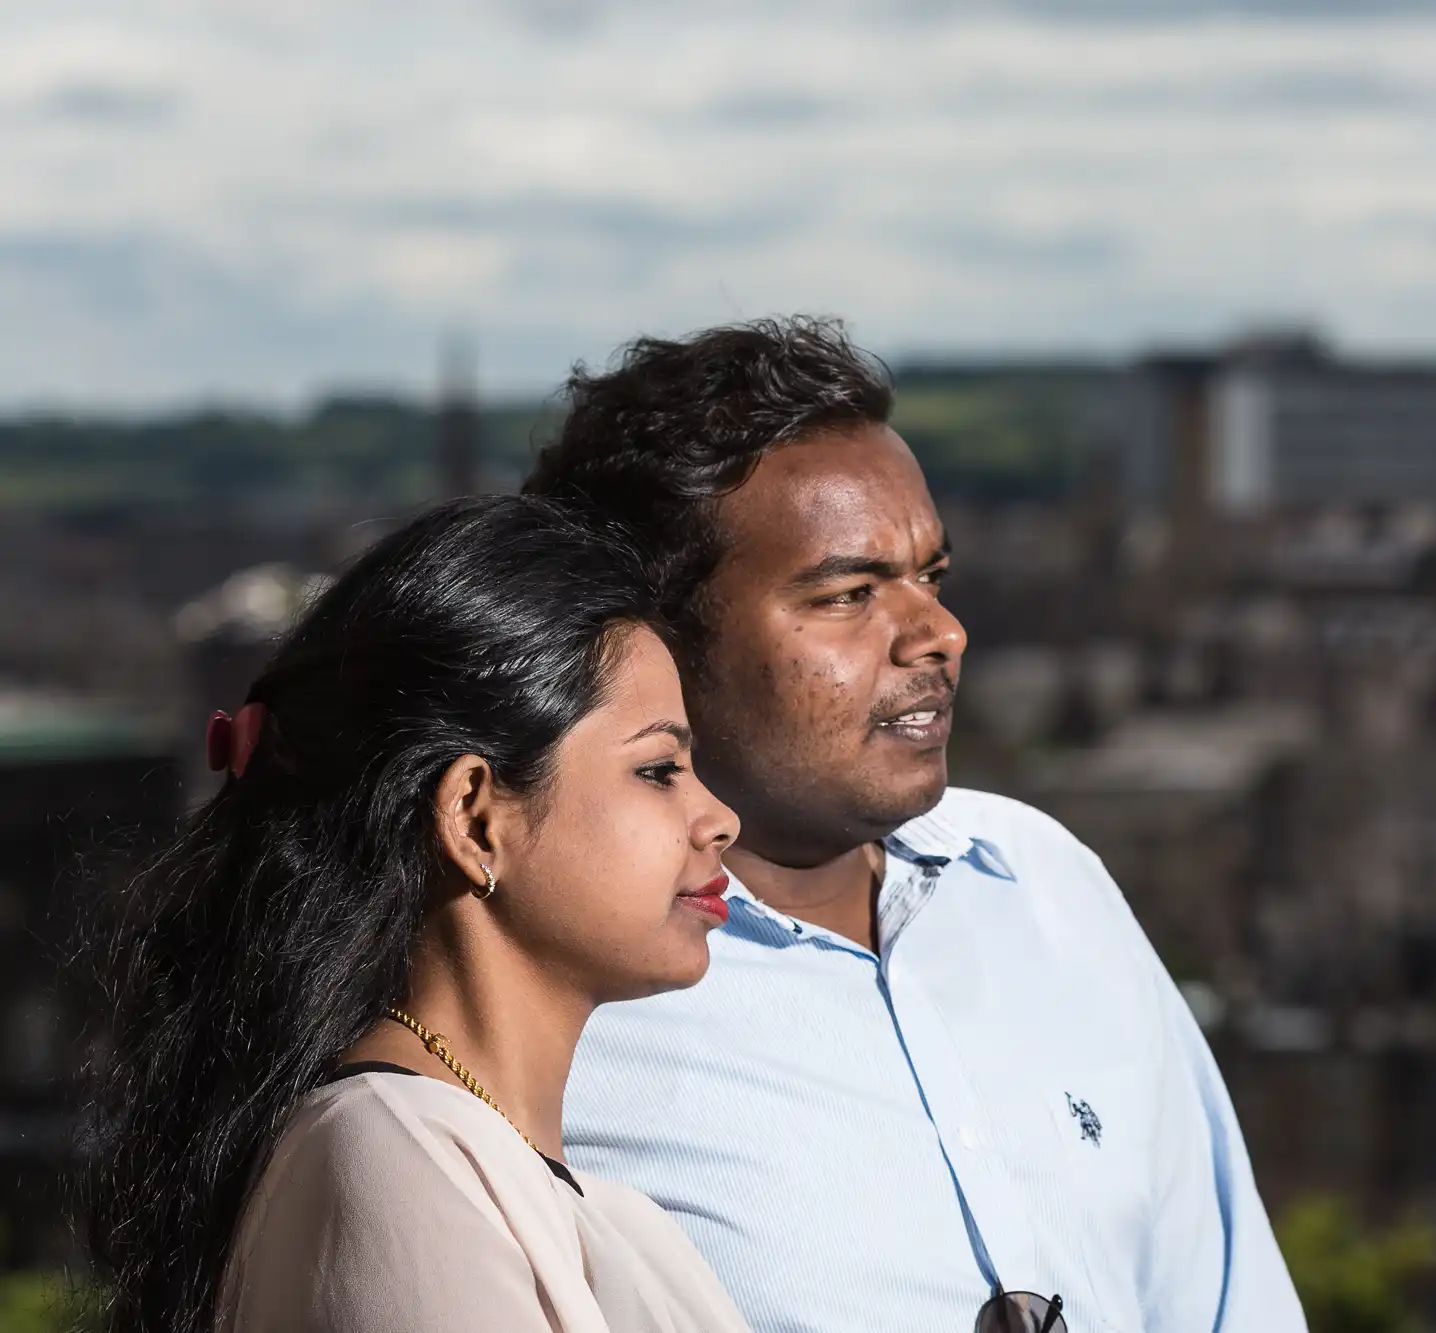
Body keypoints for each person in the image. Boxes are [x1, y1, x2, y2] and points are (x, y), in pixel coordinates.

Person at [527, 319, 1307, 1333]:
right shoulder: (559, 1002)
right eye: (848, 595)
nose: (940, 635)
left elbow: (1226, 1303)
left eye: (930, 578)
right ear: (646, 641)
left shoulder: (1042, 883)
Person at [78, 496, 751, 1333]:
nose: (718, 817)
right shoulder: (393, 1156)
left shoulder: (594, 1212)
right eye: (659, 768)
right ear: (474, 815)